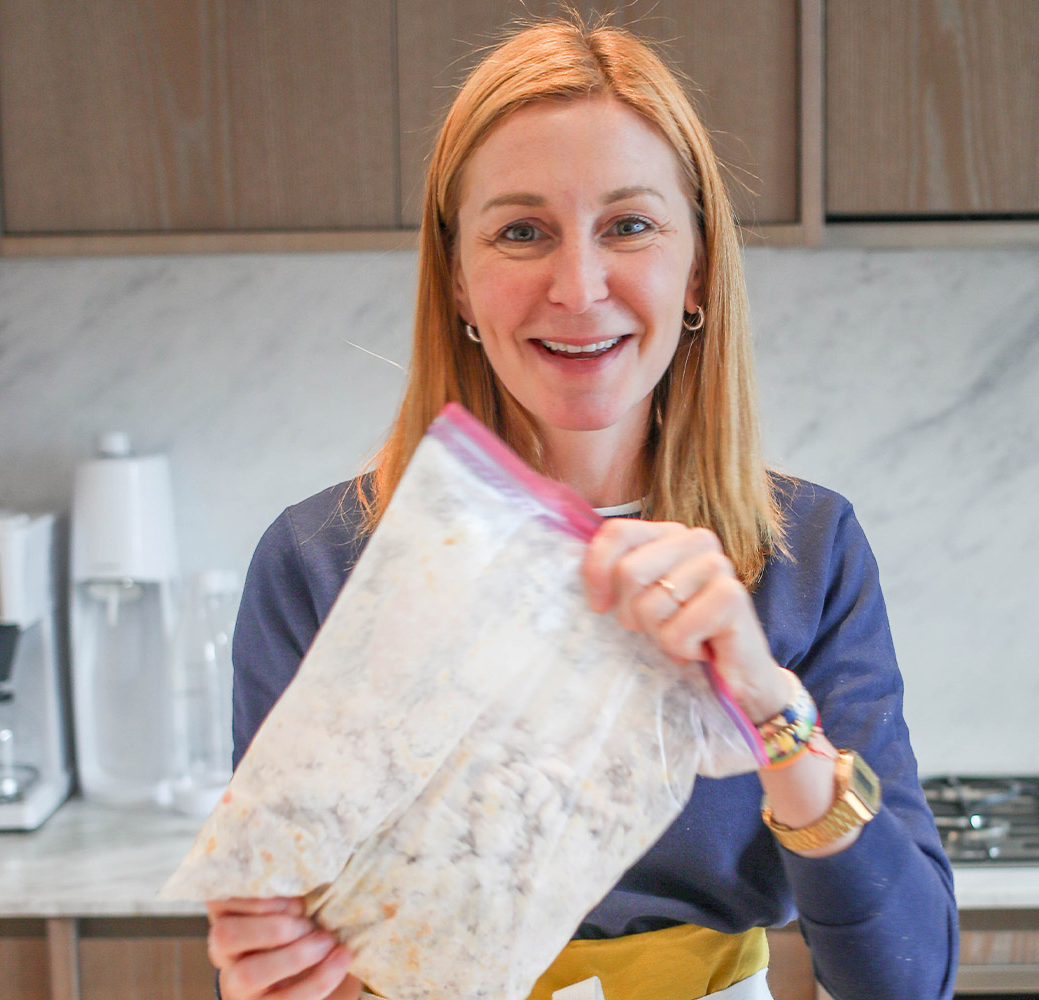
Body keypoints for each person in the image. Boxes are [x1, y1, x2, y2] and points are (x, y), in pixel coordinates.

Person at [205, 15, 958, 1000]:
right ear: (460, 282)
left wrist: (773, 711)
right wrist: (268, 972)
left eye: (629, 225)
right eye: (522, 231)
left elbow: (910, 982)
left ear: (695, 270)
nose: (578, 285)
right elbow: (276, 950)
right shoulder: (325, 561)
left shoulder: (805, 553)